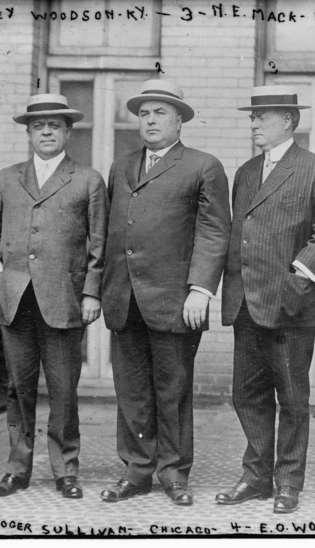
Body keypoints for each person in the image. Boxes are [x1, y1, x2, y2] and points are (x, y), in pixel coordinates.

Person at [216, 86, 315, 514]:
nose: (254, 123)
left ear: (289, 121)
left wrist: (296, 281)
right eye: (252, 117)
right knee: (246, 395)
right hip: (246, 305)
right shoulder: (246, 172)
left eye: (263, 116)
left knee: (292, 399)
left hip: (290, 306)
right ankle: (256, 478)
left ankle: (288, 482)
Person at [100, 79, 231, 506]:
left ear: (179, 120)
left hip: (176, 300)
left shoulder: (202, 165)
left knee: (172, 390)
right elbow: (109, 232)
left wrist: (201, 289)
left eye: (160, 113)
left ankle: (174, 474)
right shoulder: (121, 167)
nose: (150, 120)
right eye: (144, 113)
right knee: (131, 391)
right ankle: (136, 472)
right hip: (124, 297)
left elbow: (214, 232)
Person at [0, 93, 108, 500]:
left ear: (68, 131)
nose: (46, 132)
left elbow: (99, 245)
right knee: (18, 387)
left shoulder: (87, 179)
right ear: (29, 133)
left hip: (63, 300)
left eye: (54, 125)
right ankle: (18, 470)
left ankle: (66, 470)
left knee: (64, 389)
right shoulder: (6, 177)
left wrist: (90, 294)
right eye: (38, 126)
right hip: (14, 299)